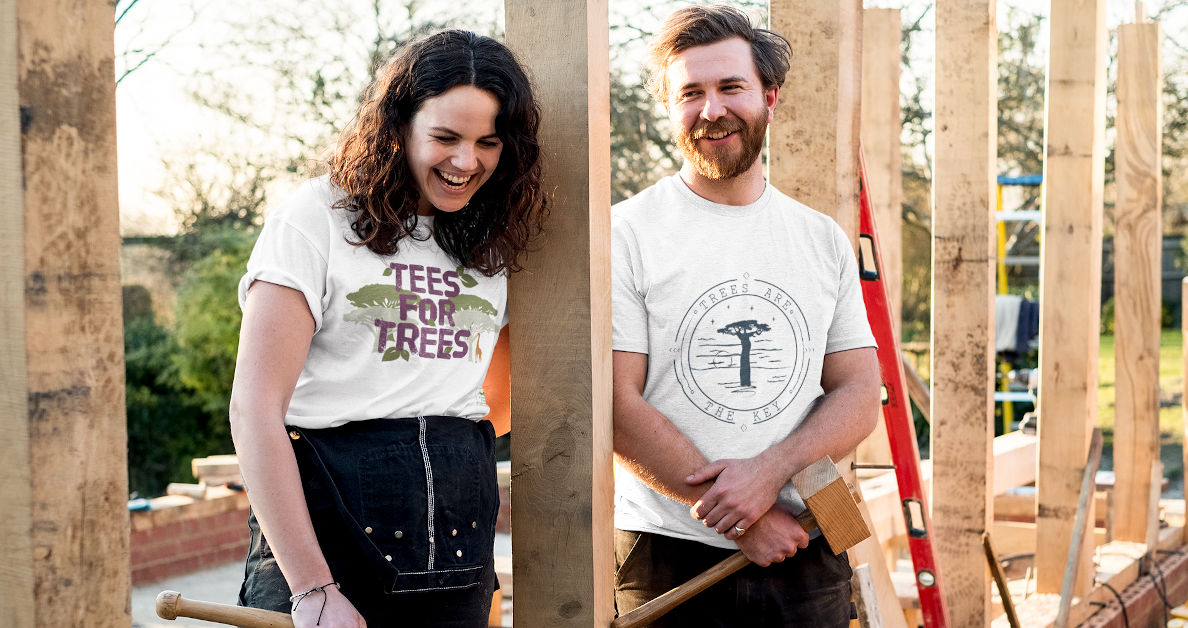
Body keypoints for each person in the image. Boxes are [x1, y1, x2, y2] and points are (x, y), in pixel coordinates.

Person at [229, 29, 547, 628]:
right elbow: (254, 409)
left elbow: (494, 406)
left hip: (456, 558)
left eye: (488, 142)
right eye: (445, 137)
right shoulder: (317, 218)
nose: (465, 161)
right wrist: (313, 588)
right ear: (399, 125)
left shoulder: (495, 241)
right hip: (325, 553)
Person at [610, 6, 880, 626]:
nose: (711, 110)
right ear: (670, 107)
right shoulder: (626, 234)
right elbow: (618, 406)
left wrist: (770, 473)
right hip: (668, 551)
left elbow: (861, 392)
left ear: (769, 97)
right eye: (691, 93)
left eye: (730, 87)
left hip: (806, 538)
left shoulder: (821, 239)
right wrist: (744, 518)